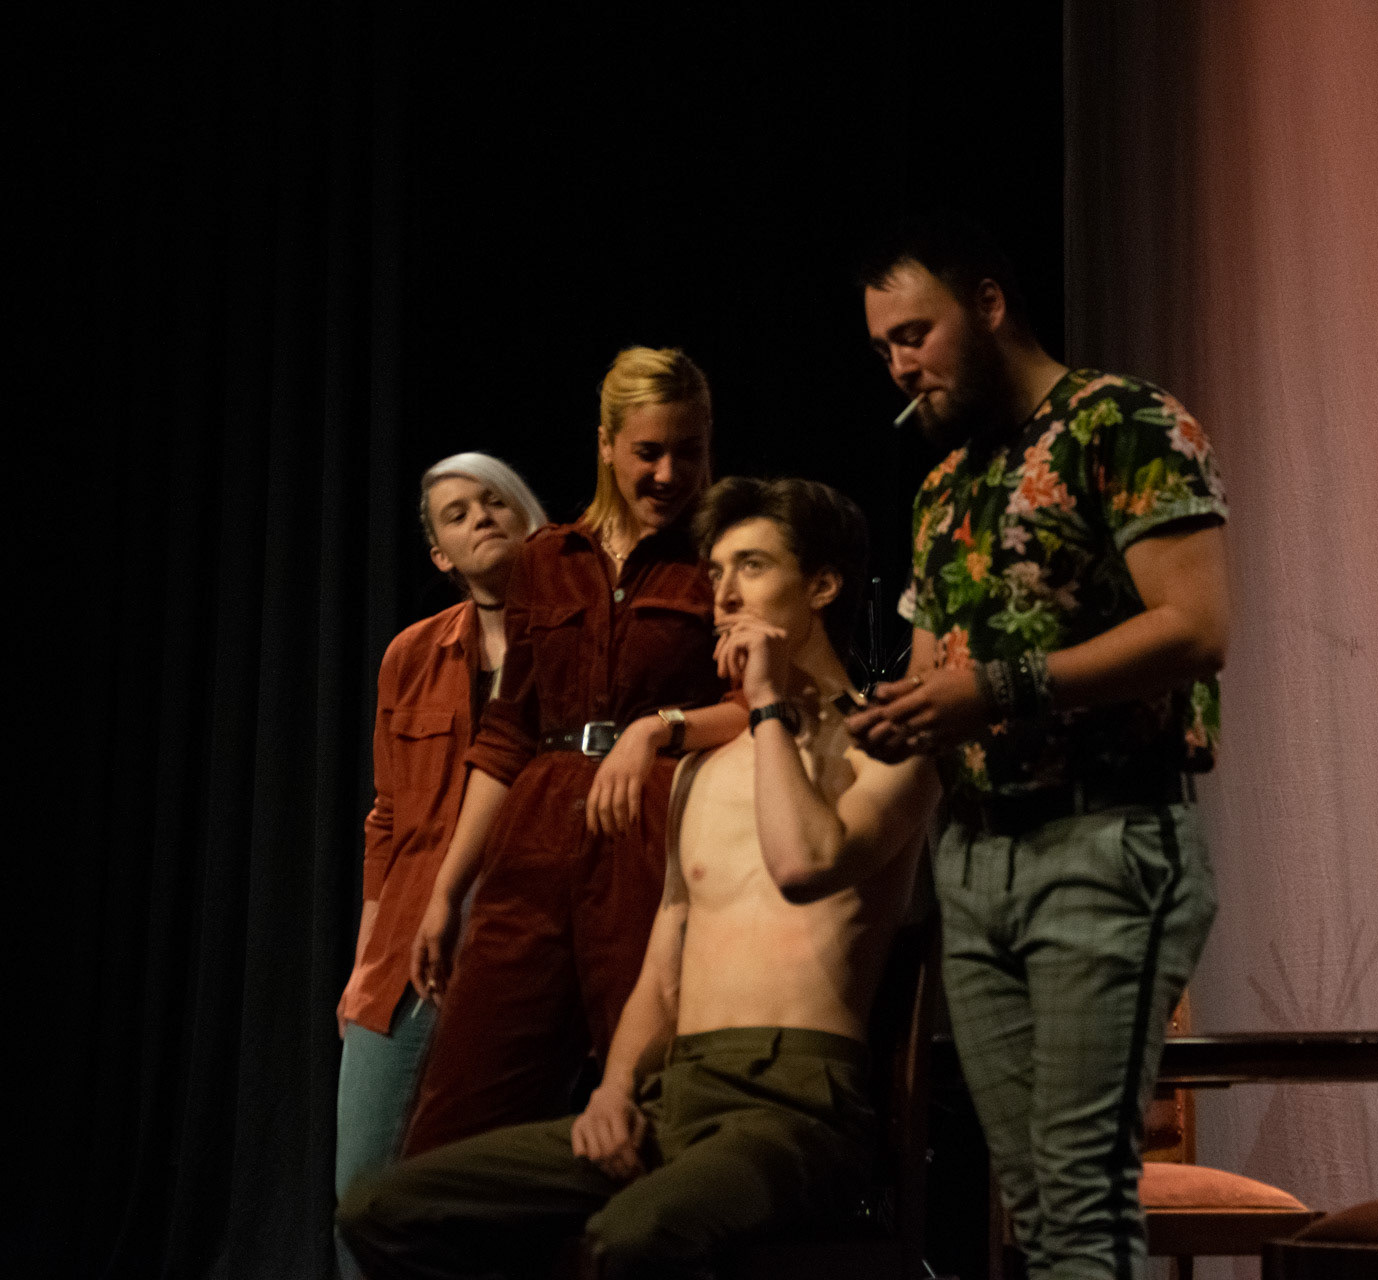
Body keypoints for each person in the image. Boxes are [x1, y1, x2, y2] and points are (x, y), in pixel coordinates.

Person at [338, 477, 941, 1280]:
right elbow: (666, 960)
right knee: (384, 1208)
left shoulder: (890, 750)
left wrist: (766, 703)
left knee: (630, 1237)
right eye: (716, 572)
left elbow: (804, 864)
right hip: (675, 1091)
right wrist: (616, 1090)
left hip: (799, 1104)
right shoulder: (702, 774)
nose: (724, 595)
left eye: (753, 567)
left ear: (823, 586)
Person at [847, 213, 1229, 1280]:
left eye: (915, 333)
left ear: (989, 304)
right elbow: (936, 677)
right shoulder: (943, 487)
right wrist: (892, 712)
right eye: (883, 347)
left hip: (1103, 839)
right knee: (1035, 1210)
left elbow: (1197, 627)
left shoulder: (1124, 423)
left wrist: (995, 689)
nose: (900, 365)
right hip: (976, 859)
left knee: (1081, 1201)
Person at [402, 347, 748, 1157]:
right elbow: (507, 733)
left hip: (652, 835)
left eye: (688, 451)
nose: (668, 474)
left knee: (648, 1112)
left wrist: (658, 729)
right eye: (648, 452)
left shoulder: (721, 560)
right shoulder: (546, 560)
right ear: (605, 444)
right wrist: (446, 892)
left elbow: (756, 707)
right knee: (456, 1120)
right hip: (534, 841)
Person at [336, 452, 548, 1213]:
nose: (481, 518)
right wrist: (365, 965)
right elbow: (388, 820)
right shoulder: (412, 655)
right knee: (365, 1189)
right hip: (408, 948)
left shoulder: (575, 643)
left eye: (494, 501)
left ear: (527, 516)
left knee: (491, 1192)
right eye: (457, 515)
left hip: (526, 941)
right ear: (440, 556)